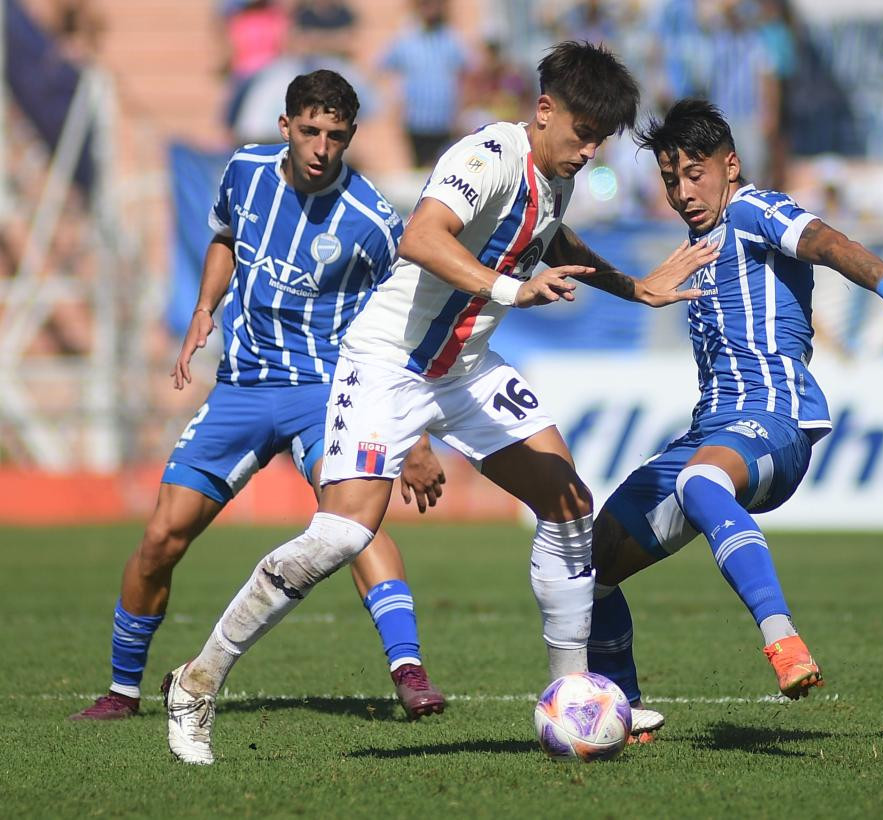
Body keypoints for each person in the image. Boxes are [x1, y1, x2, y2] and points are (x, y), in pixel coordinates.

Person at [162, 41, 718, 765]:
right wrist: (512, 289)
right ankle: (198, 681)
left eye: (600, 140)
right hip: (387, 364)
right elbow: (424, 237)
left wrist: (634, 286)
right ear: (544, 110)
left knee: (568, 501)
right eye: (582, 134)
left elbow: (549, 236)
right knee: (343, 537)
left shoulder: (555, 174)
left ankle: (573, 695)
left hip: (463, 366)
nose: (588, 152)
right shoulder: (484, 157)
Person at [71, 69, 448, 724]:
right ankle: (122, 690)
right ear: (285, 127)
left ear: (351, 137)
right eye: (309, 131)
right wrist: (203, 308)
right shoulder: (245, 173)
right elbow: (223, 237)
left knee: (353, 525)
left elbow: (408, 323)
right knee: (161, 536)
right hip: (243, 388)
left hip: (328, 392)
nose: (321, 147)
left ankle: (409, 673)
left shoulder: (374, 222)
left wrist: (410, 434)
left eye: (335, 135)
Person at [585, 99, 883, 732]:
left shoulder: (755, 209)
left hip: (774, 419)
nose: (682, 191)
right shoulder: (696, 244)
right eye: (671, 179)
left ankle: (782, 637)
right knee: (595, 563)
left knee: (700, 481)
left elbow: (828, 242)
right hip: (713, 427)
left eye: (694, 174)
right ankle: (624, 710)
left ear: (730, 165)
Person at [377, 0, 469, 168]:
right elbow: (383, 67)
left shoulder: (451, 38)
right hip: (415, 118)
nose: (430, 8)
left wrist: (461, 109)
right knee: (419, 171)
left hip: (445, 118)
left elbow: (465, 73)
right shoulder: (405, 39)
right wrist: (394, 100)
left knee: (444, 168)